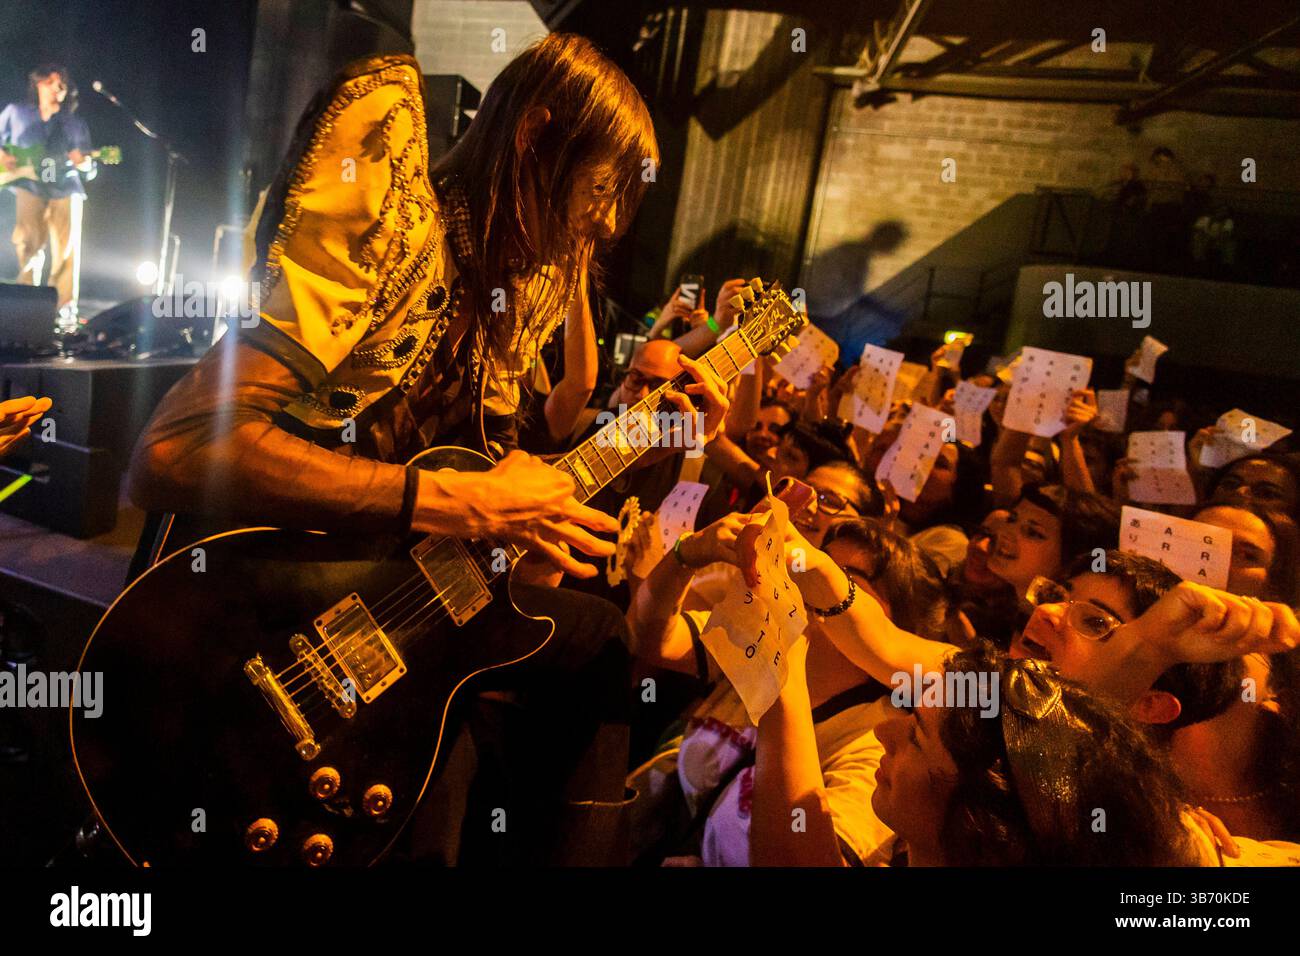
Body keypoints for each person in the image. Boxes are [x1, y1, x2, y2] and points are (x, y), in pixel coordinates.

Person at [124, 35, 728, 865]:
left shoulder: (511, 289)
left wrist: (661, 439)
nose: (609, 223)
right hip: (243, 643)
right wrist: (453, 501)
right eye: (601, 190)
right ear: (534, 137)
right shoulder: (396, 232)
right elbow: (173, 451)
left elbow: (503, 489)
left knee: (594, 639)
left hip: (395, 655)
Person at [0, 65, 94, 320]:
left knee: (66, 250)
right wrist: (3, 155)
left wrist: (85, 163)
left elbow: (88, 166)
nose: (59, 88)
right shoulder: (15, 113)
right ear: (39, 84)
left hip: (66, 187)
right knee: (27, 243)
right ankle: (24, 302)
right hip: (29, 185)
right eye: (53, 82)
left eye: (63, 85)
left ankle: (63, 307)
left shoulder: (74, 123)